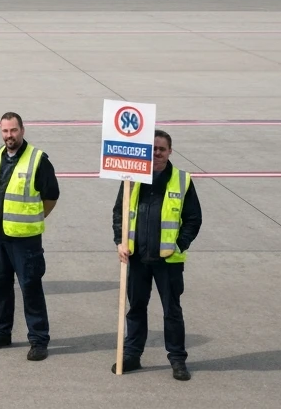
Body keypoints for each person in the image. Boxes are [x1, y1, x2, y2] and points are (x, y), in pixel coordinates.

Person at [111, 129, 202, 381]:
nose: (157, 153)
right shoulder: (131, 179)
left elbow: (193, 219)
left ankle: (177, 360)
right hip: (137, 258)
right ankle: (132, 355)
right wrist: (120, 242)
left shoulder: (182, 180)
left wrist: (179, 245)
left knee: (172, 312)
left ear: (170, 151)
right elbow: (119, 213)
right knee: (136, 309)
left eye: (162, 149)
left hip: (168, 262)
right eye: (153, 149)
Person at [0, 113, 59, 359]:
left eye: (13, 130)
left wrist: (35, 218)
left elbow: (51, 196)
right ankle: (1, 332)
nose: (9, 135)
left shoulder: (38, 160)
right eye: (5, 131)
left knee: (30, 289)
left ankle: (39, 339)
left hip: (25, 240)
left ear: (22, 130)